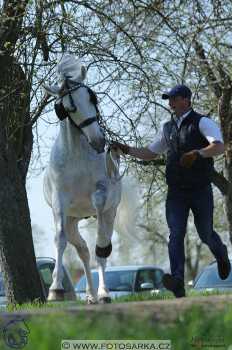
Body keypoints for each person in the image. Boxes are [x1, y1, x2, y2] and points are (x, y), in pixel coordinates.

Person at [112, 84, 231, 298]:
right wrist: (127, 149)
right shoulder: (167, 128)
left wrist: (197, 153)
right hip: (176, 191)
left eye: (174, 99)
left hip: (199, 189)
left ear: (186, 99)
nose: (170, 103)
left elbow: (219, 146)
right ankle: (177, 281)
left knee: (205, 233)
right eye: (169, 99)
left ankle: (221, 255)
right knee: (175, 234)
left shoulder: (202, 122)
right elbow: (150, 152)